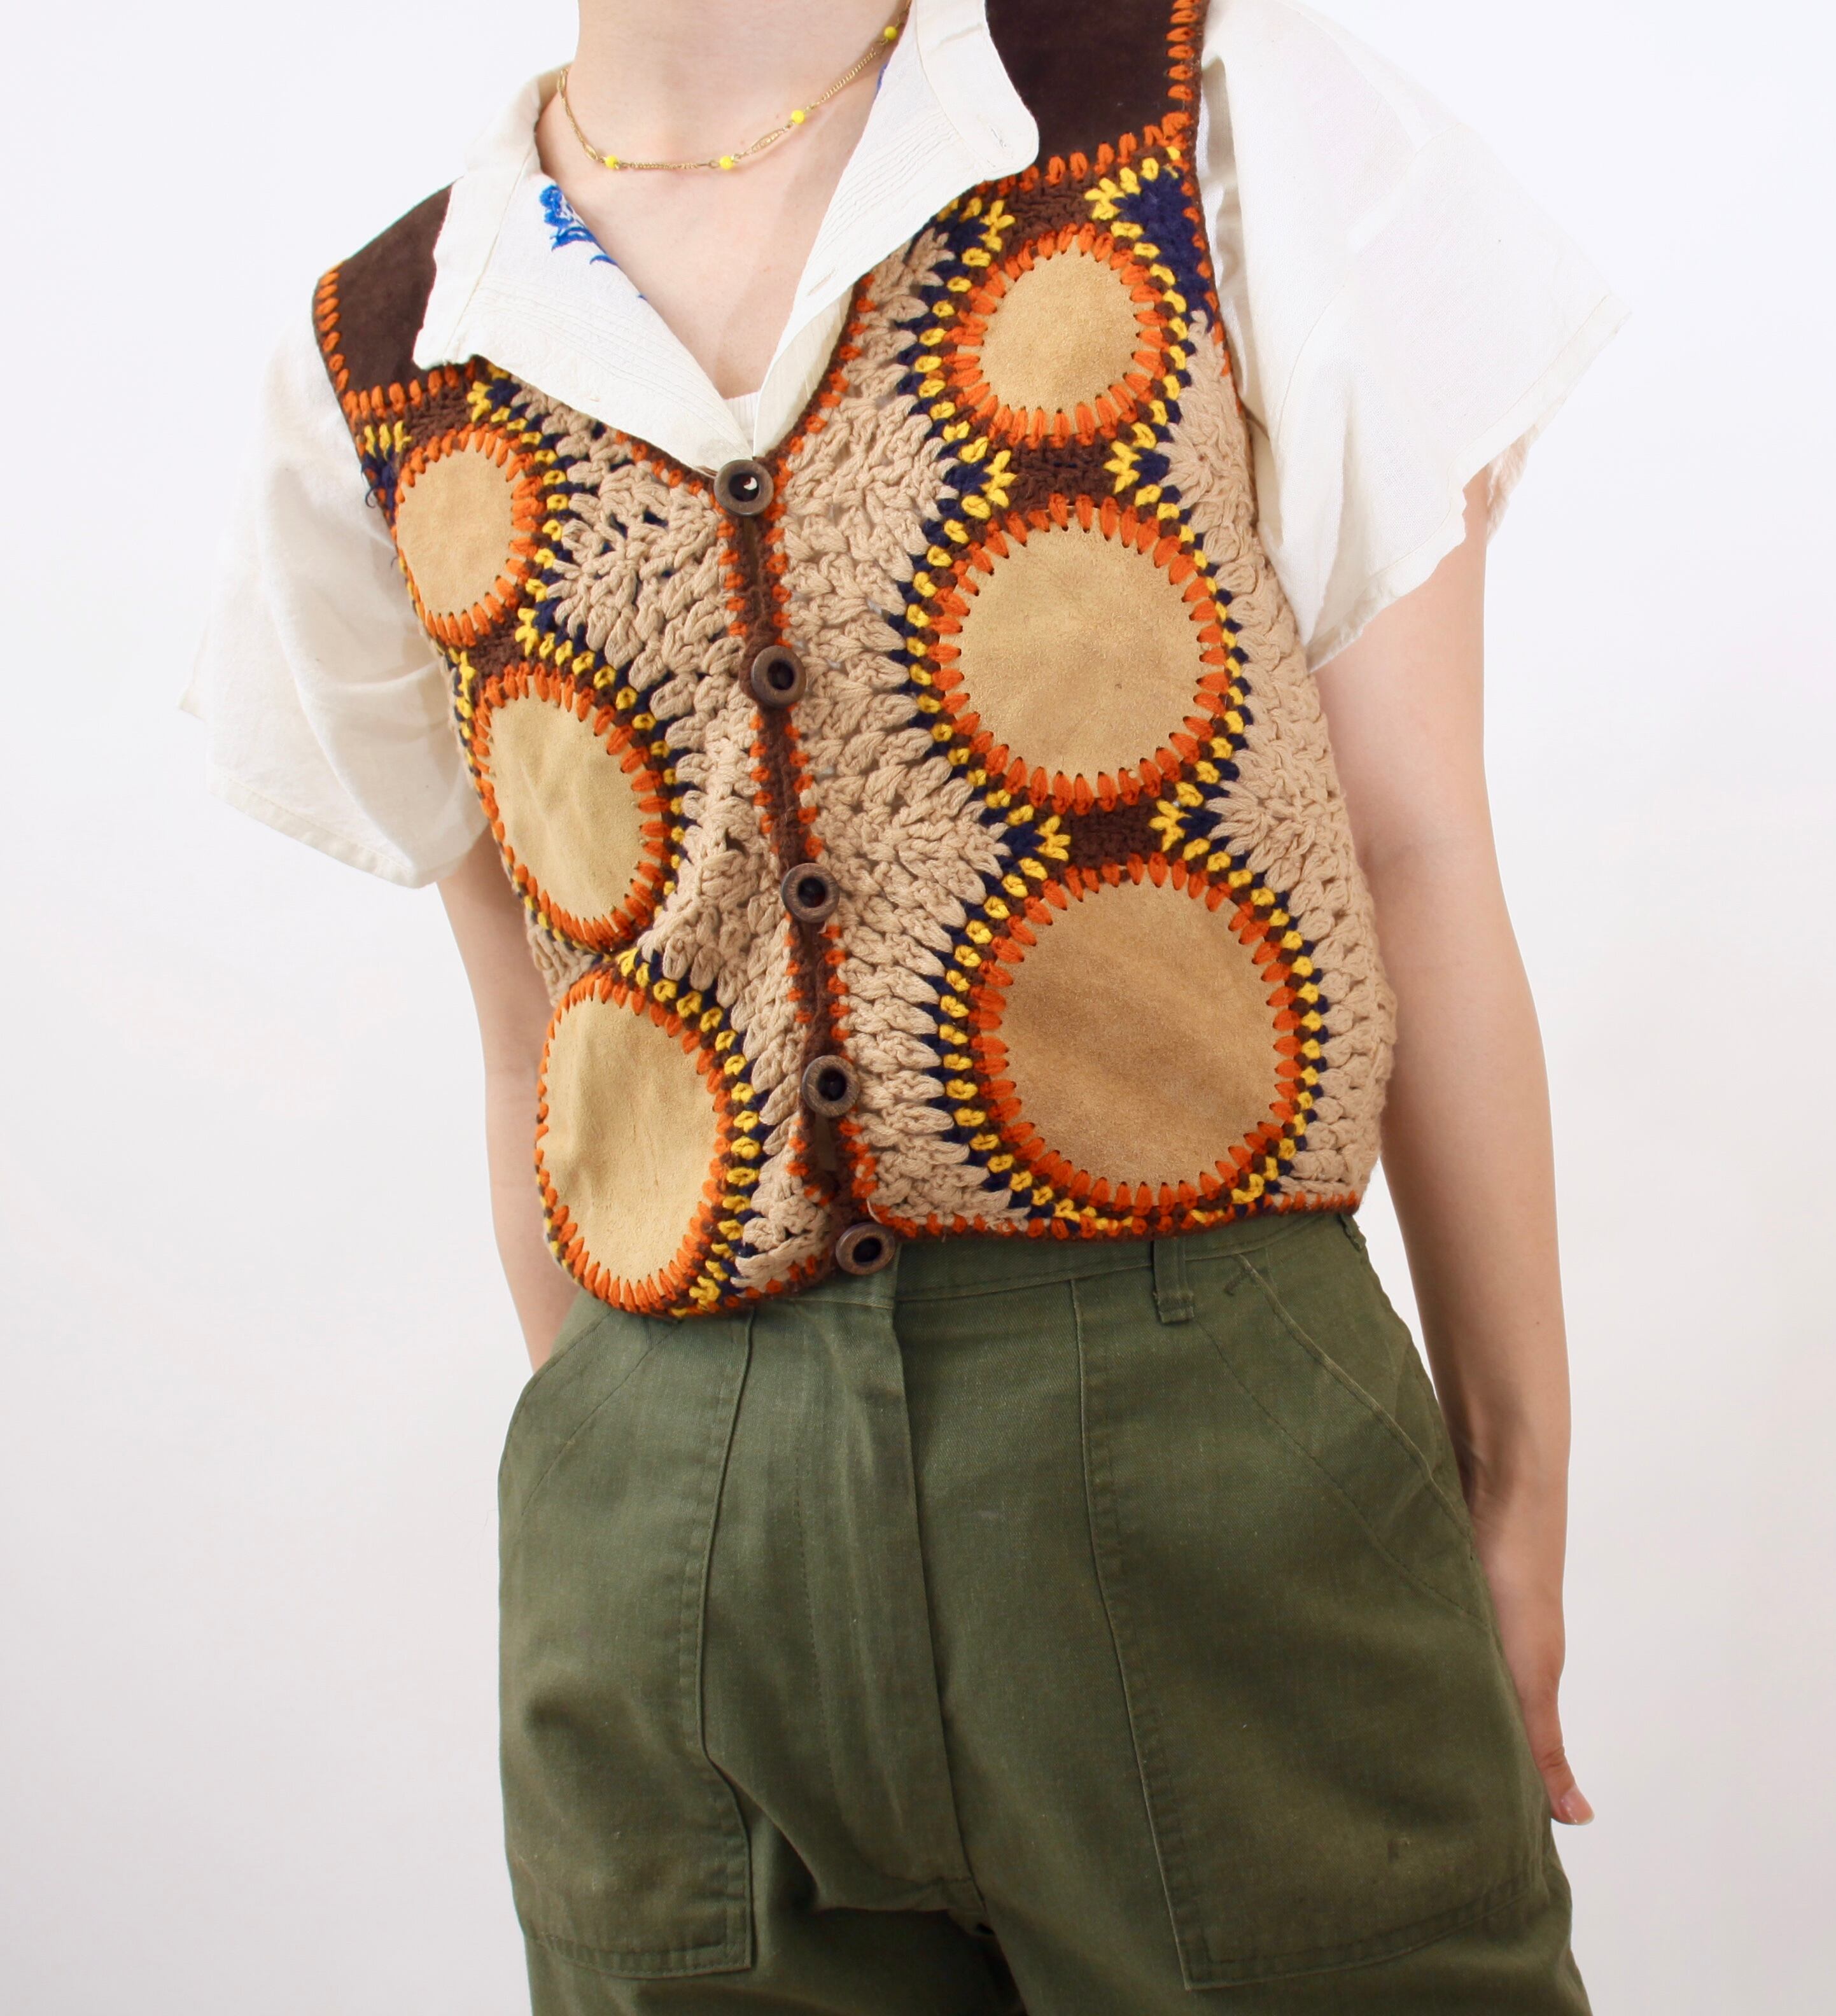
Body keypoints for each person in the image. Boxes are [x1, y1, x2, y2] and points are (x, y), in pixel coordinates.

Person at [186, 0, 1623, 2006]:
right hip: (668, 1554)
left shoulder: (1191, 124)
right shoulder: (392, 350)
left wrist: (1516, 1486)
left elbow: (1416, 851)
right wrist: (643, 1507)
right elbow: (536, 1041)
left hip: (1216, 1458)